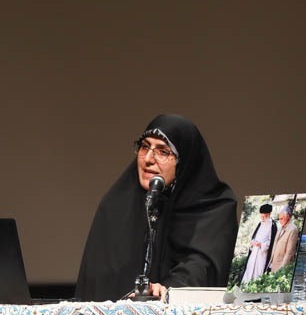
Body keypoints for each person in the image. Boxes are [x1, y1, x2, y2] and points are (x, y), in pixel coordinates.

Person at [74, 114, 238, 301]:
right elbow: (97, 280)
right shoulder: (116, 205)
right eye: (145, 147)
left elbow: (202, 266)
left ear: (185, 160)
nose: (148, 159)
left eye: (163, 151)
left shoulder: (214, 207)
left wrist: (169, 289)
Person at [240, 203, 275, 284]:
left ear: (268, 215)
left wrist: (261, 244)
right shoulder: (260, 223)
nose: (262, 218)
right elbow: (255, 236)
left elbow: (271, 242)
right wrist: (253, 242)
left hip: (262, 255)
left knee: (257, 274)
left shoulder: (272, 225)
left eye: (263, 217)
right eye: (261, 216)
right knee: (249, 272)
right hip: (254, 252)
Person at [268, 205, 300, 272]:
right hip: (273, 265)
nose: (280, 221)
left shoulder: (293, 229)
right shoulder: (280, 228)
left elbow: (289, 252)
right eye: (279, 219)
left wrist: (281, 270)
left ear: (288, 216)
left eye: (281, 219)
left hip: (281, 267)